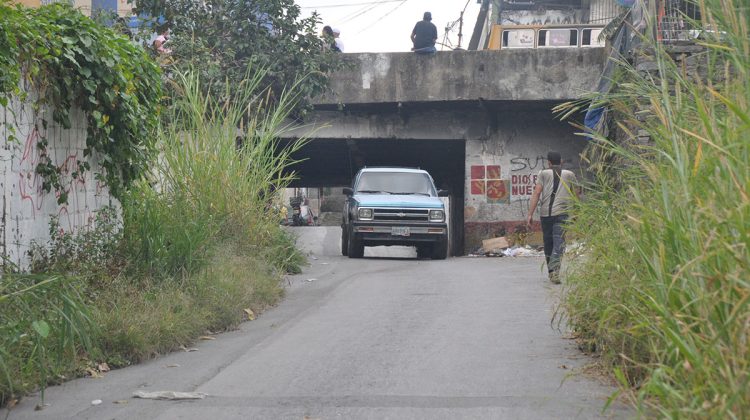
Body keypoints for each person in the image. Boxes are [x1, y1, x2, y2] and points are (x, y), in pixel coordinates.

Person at [526, 151, 580, 284]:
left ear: (548, 163)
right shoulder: (570, 174)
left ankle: (552, 272)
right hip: (562, 214)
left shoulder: (542, 173)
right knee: (559, 242)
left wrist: (530, 214)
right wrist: (577, 212)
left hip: (546, 215)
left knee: (548, 243)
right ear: (561, 161)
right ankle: (554, 270)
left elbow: (537, 193)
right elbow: (576, 194)